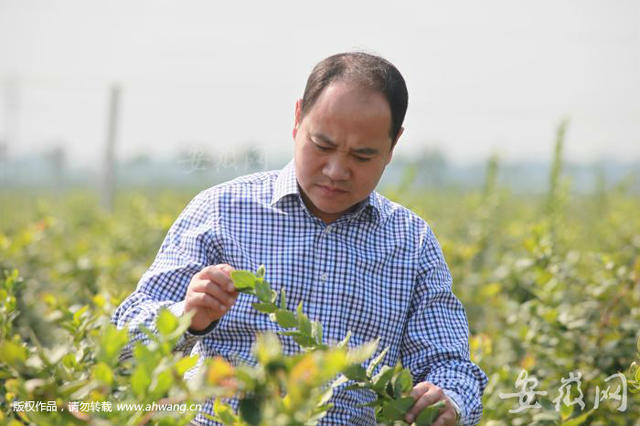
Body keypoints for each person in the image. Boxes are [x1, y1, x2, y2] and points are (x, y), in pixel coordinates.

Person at [112, 52, 488, 425]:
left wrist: (448, 400)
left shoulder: (411, 243)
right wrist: (186, 318)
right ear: (297, 119)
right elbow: (120, 347)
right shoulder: (221, 212)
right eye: (322, 145)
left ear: (392, 146)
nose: (336, 170)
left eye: (362, 156)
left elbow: (450, 364)